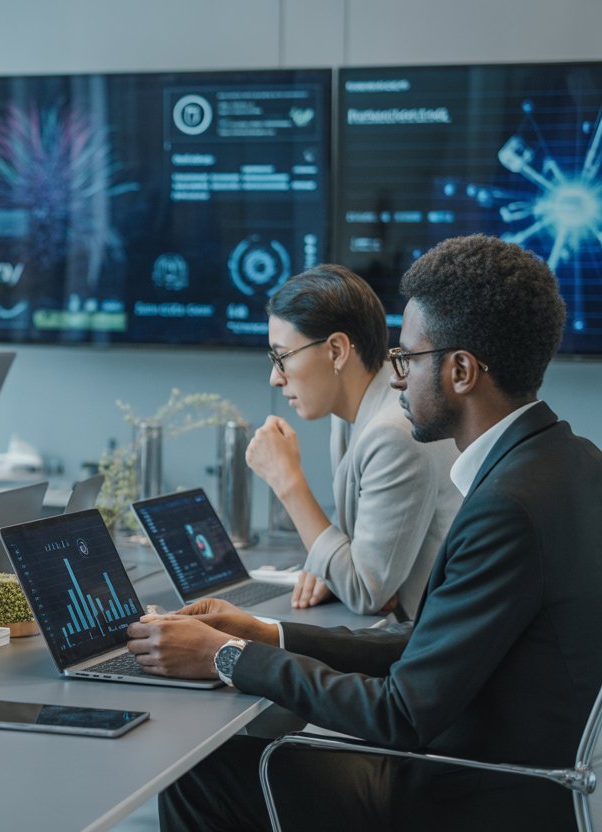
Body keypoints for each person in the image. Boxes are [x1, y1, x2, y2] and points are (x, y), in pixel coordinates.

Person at [127, 235, 602, 830]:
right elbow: (430, 646)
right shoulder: (573, 462)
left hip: (475, 794)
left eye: (408, 359)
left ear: (459, 371)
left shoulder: (508, 506)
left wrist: (225, 656)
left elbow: (402, 712)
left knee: (203, 768)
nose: (397, 378)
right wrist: (263, 632)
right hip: (511, 772)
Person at [247, 264, 460, 616]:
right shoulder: (357, 410)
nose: (275, 378)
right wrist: (332, 565)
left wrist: (287, 482)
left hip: (418, 643)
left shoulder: (393, 431)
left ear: (336, 350)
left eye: (281, 357)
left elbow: (365, 592)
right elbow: (358, 561)